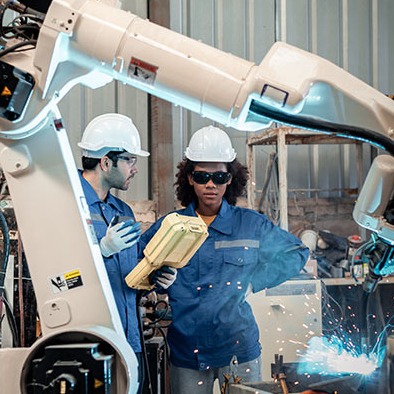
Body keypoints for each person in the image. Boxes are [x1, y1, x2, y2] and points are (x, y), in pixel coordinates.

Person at [138, 125, 309, 393]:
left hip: (238, 350)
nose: (210, 184)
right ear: (190, 178)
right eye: (202, 176)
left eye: (219, 176)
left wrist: (254, 282)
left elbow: (297, 253)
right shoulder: (170, 228)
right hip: (188, 354)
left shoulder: (250, 225)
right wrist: (154, 278)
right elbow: (134, 269)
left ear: (230, 179)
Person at [77, 113, 174, 391]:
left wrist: (155, 278)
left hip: (130, 341)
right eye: (130, 160)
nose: (135, 168)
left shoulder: (123, 212)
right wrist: (102, 250)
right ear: (106, 162)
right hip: (89, 344)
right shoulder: (70, 205)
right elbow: (59, 276)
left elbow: (129, 275)